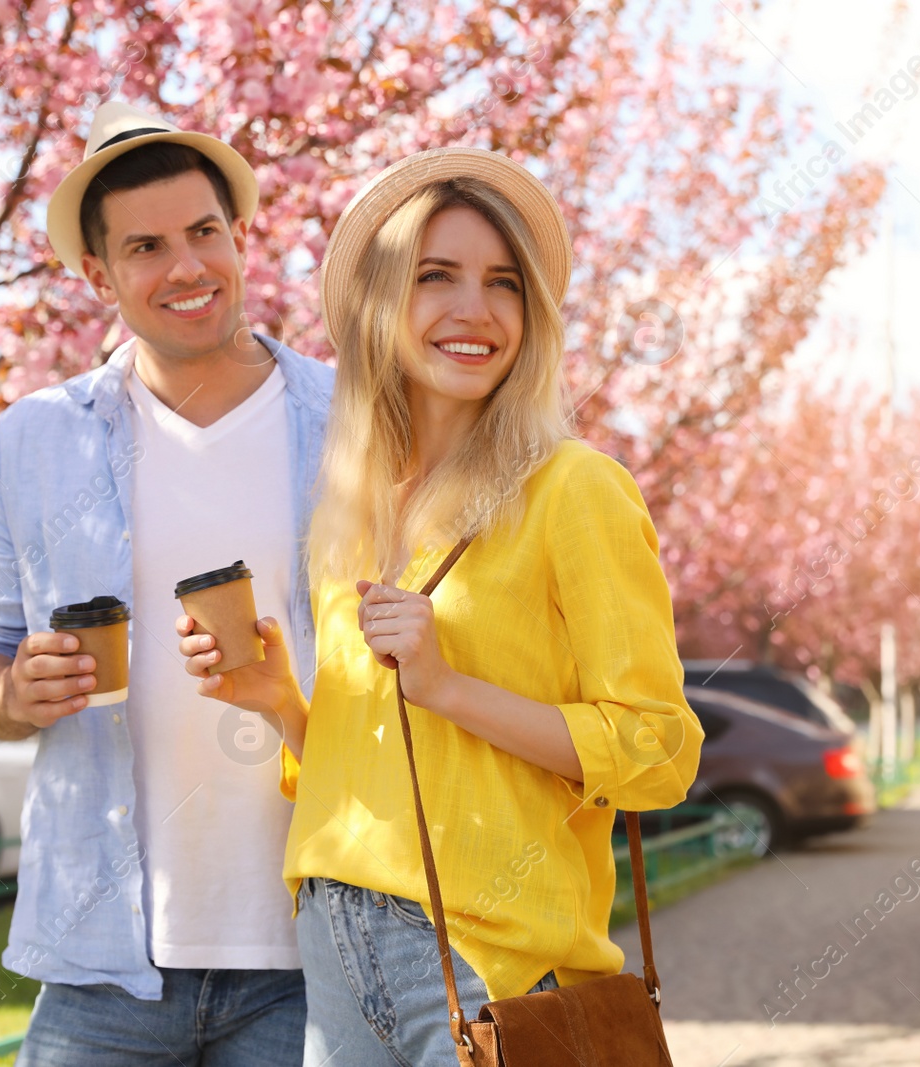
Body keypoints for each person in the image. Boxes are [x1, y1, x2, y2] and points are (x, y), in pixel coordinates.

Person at [177, 147, 702, 1066]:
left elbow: (659, 752)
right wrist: (285, 705)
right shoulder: (357, 508)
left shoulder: (573, 489)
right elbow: (386, 765)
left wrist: (449, 686)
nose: (475, 310)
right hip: (333, 938)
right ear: (381, 306)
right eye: (436, 277)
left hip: (484, 954)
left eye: (504, 283)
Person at [0, 101, 332, 1066]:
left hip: (316, 948)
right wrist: (8, 691)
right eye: (146, 246)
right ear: (99, 274)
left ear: (242, 237)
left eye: (205, 233)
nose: (188, 267)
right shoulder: (32, 442)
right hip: (101, 962)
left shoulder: (353, 420)